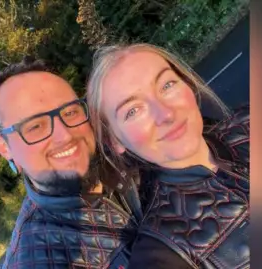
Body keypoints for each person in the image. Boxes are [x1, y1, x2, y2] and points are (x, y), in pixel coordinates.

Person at [86, 43, 249, 269]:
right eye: (133, 111)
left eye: (167, 85)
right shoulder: (160, 255)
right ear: (115, 141)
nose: (166, 114)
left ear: (188, 85)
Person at [0, 57, 141, 269]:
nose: (64, 135)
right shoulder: (35, 261)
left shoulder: (134, 154)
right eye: (36, 126)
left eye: (70, 112)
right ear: (5, 148)